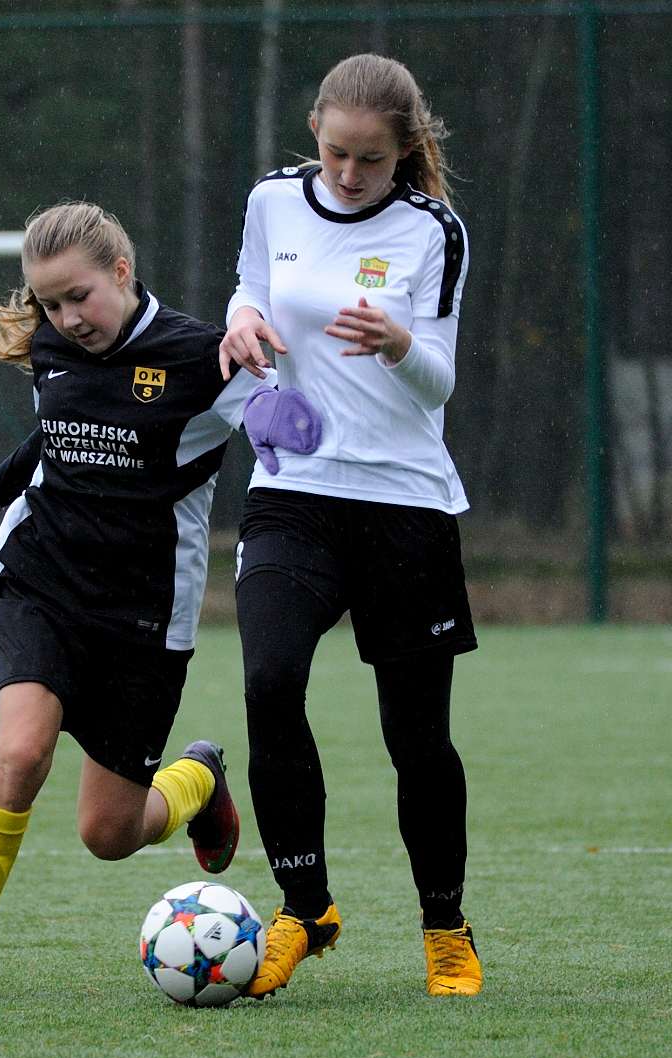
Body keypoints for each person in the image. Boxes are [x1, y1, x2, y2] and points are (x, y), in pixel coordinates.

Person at [0, 201, 322, 1003]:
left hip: (143, 613)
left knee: (107, 834)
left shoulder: (200, 355)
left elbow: (265, 406)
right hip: (43, 579)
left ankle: (197, 779)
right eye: (49, 303)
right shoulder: (53, 346)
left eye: (78, 297)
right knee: (20, 753)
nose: (65, 318)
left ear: (122, 272)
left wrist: (279, 414)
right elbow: (55, 437)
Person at [218, 53, 483, 998]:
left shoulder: (433, 230)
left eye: (370, 159)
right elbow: (249, 291)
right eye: (335, 153)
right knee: (269, 683)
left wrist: (401, 345)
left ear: (403, 150)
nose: (348, 173)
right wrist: (240, 325)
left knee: (416, 737)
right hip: (293, 493)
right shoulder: (271, 201)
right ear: (315, 134)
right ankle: (305, 907)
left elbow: (439, 382)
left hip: (406, 505)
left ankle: (445, 927)